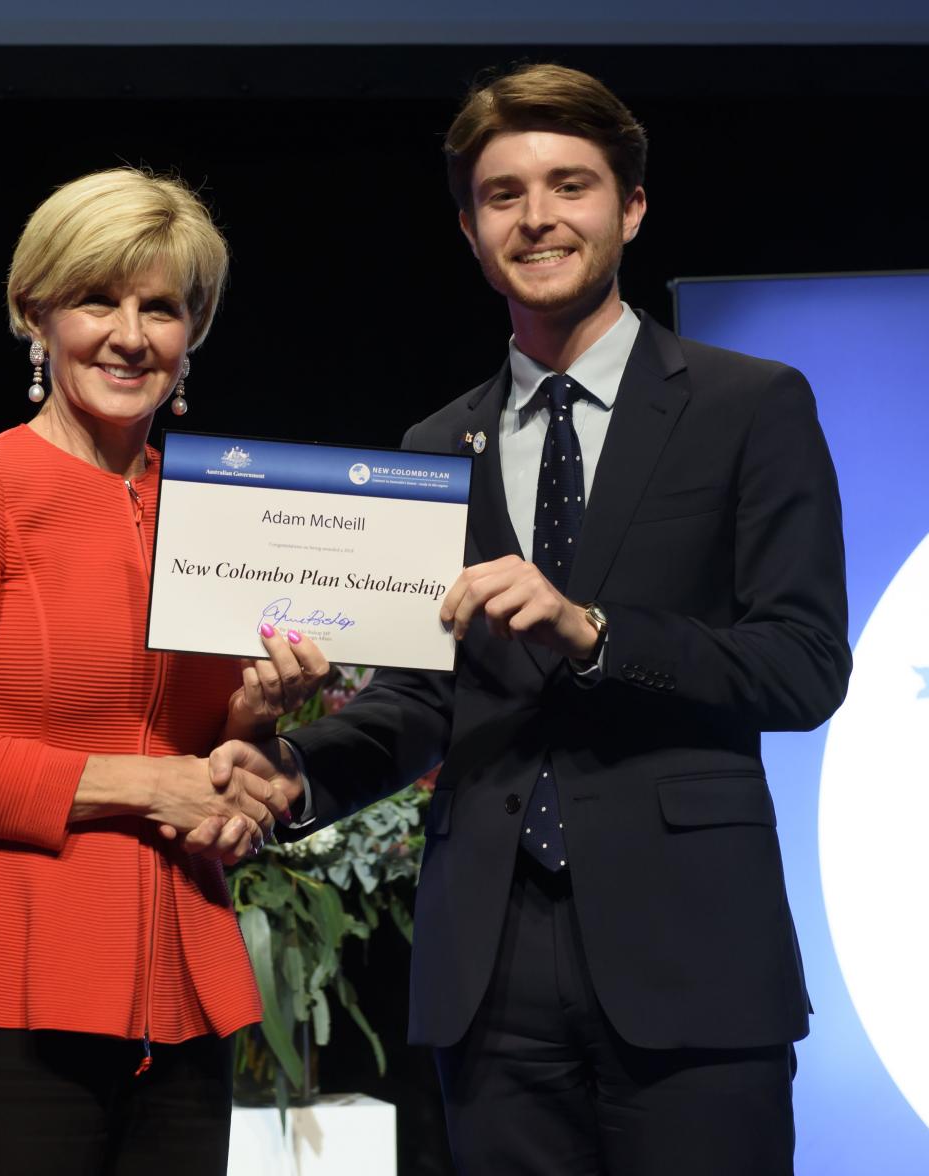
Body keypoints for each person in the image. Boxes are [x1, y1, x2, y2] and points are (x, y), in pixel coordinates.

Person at [217, 64, 851, 1174]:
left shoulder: (753, 404)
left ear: (631, 207)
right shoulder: (429, 449)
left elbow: (802, 667)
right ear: (468, 229)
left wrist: (595, 630)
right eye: (503, 195)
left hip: (693, 958)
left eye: (571, 185)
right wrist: (293, 774)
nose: (539, 217)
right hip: (487, 970)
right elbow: (423, 700)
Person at [0, 167, 327, 1176]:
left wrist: (251, 736)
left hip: (185, 1006)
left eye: (160, 308)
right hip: (4, 1007)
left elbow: (200, 755)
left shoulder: (222, 510)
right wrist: (134, 782)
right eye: (95, 299)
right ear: (37, 312)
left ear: (192, 331)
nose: (129, 335)